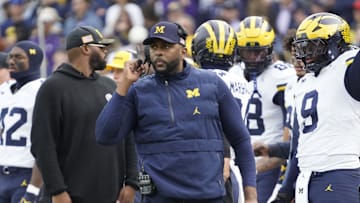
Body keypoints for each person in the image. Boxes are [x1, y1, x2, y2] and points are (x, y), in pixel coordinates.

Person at [95, 21, 257, 203]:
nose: (158, 52)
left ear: (183, 50)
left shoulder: (212, 84)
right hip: (159, 198)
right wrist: (124, 86)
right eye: (154, 47)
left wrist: (251, 197)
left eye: (166, 46)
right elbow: (105, 135)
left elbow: (241, 140)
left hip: (207, 197)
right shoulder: (139, 91)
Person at [30, 25, 138, 203]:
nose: (106, 51)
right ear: (86, 48)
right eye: (102, 47)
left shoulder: (110, 86)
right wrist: (57, 191)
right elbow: (43, 145)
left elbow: (127, 136)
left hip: (111, 196)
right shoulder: (53, 88)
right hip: (69, 196)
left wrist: (132, 182)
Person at [290, 12, 360, 203]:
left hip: (340, 172)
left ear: (336, 44)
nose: (307, 54)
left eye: (313, 47)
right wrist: (287, 190)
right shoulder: (304, 82)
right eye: (304, 48)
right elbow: (298, 144)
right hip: (306, 177)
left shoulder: (347, 67)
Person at [230, 16, 296, 203]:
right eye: (247, 52)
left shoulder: (284, 76)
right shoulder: (233, 74)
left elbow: (290, 134)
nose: (253, 58)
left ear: (269, 48)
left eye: (258, 52)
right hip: (237, 162)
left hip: (268, 163)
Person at [191, 19, 251, 203]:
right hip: (234, 163)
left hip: (209, 163)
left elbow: (215, 120)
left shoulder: (198, 80)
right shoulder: (243, 82)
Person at [0, 41, 44, 203]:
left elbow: (47, 143)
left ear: (33, 61)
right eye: (10, 57)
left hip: (26, 173)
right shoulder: (4, 90)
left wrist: (33, 189)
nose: (11, 61)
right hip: (2, 172)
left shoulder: (42, 89)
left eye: (18, 57)